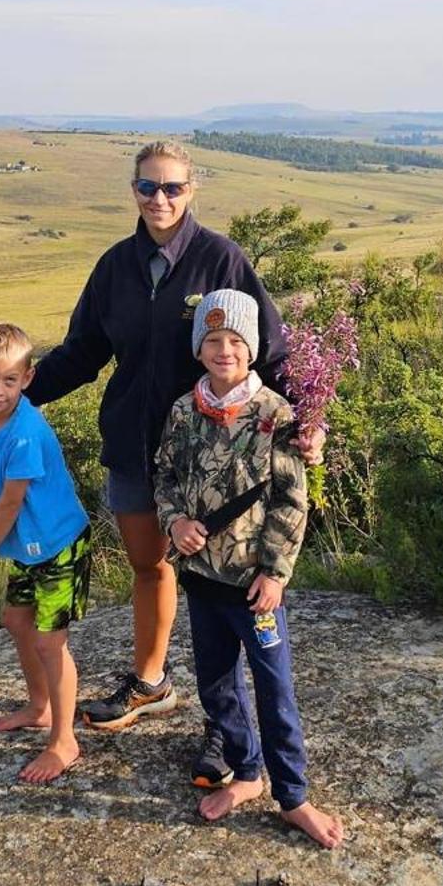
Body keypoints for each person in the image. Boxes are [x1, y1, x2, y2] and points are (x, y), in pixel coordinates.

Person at [25, 139, 316, 735]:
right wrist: (16, 394)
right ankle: (152, 682)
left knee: (222, 582)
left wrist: (307, 423)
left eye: (172, 187)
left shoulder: (221, 259)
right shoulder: (114, 267)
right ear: (133, 191)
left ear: (192, 190)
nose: (160, 198)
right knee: (149, 565)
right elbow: (83, 352)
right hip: (134, 445)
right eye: (148, 187)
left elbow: (273, 350)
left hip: (213, 453)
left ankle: (227, 726)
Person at [154, 288, 344, 849]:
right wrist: (173, 523)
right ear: (199, 348)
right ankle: (248, 773)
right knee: (216, 688)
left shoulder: (276, 414)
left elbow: (291, 499)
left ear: (253, 347)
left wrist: (276, 572)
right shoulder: (184, 410)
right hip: (202, 578)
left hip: (253, 586)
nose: (224, 350)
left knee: (273, 688)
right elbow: (163, 475)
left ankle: (294, 797)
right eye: (213, 340)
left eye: (236, 340)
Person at [0, 322, 93, 784]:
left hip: (58, 546)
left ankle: (64, 740)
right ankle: (39, 706)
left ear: (28, 378)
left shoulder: (26, 432)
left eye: (10, 380)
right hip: (28, 547)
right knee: (17, 620)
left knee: (49, 642)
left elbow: (12, 499)